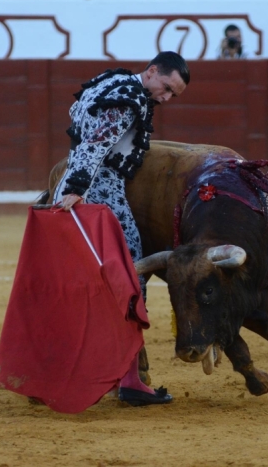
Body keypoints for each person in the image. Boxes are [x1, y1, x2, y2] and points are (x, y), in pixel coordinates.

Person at [53, 51, 190, 406]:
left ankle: (65, 369)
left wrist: (70, 185)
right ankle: (129, 379)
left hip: (80, 186)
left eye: (173, 94)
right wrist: (77, 188)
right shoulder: (129, 99)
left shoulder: (111, 82)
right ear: (152, 71)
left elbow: (79, 126)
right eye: (166, 87)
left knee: (78, 281)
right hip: (97, 191)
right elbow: (95, 144)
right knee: (131, 275)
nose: (166, 97)